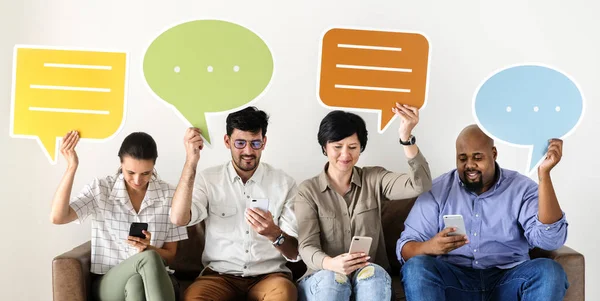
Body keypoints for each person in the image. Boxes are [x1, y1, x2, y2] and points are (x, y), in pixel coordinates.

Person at [397, 124, 569, 301]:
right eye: (462, 159)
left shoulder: (521, 189)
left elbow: (550, 240)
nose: (470, 165)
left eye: (477, 157)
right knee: (416, 268)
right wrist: (430, 246)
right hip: (455, 281)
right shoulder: (438, 190)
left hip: (508, 279)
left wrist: (544, 175)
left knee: (550, 272)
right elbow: (405, 247)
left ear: (493, 154)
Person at [294, 103, 433, 301]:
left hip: (368, 274)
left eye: (352, 147)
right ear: (325, 147)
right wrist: (331, 264)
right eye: (337, 147)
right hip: (323, 275)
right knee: (333, 282)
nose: (345, 155)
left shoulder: (374, 178)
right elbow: (306, 246)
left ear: (361, 148)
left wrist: (406, 138)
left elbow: (420, 184)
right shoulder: (309, 191)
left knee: (373, 277)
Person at [170, 106, 300, 301]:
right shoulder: (209, 179)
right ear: (227, 141)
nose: (248, 151)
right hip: (218, 277)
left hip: (269, 278)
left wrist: (274, 233)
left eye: (255, 143)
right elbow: (178, 218)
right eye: (240, 143)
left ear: (264, 142)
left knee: (285, 295)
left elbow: (294, 252)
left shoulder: (284, 183)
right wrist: (191, 162)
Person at [50, 131, 188, 301]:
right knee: (148, 260)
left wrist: (147, 248)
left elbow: (170, 255)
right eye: (130, 172)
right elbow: (58, 217)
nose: (138, 180)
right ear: (121, 163)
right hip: (110, 281)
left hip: (154, 280)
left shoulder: (169, 195)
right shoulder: (101, 189)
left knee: (136, 282)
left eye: (146, 173)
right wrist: (71, 167)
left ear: (154, 166)